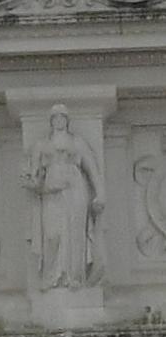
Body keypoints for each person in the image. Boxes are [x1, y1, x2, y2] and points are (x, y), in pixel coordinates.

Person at [28, 103, 101, 290]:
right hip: (51, 192)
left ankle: (74, 277)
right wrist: (42, 186)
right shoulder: (42, 144)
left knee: (75, 233)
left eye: (63, 117)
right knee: (52, 234)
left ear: (67, 121)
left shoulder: (77, 142)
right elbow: (33, 176)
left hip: (76, 189)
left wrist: (100, 193)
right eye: (55, 117)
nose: (59, 121)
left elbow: (91, 168)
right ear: (51, 121)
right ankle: (51, 275)